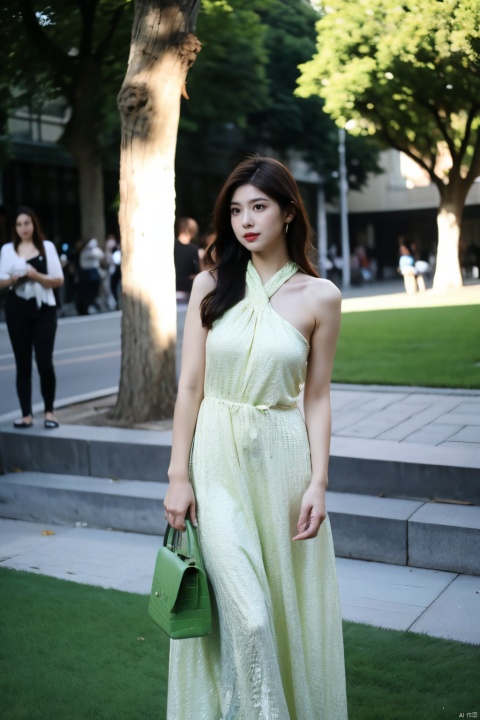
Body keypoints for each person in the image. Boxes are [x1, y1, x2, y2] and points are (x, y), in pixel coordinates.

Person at [164, 156, 348, 719]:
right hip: (216, 461)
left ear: (289, 212)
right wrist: (177, 474)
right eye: (236, 209)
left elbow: (316, 396)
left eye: (259, 207)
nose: (246, 220)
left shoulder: (321, 297)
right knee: (249, 615)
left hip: (285, 463)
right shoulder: (209, 285)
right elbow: (191, 385)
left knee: (284, 610)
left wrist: (318, 482)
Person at [0, 207, 64, 429]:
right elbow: (1, 281)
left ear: (34, 224)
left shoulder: (46, 247)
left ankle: (49, 412)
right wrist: (12, 279)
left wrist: (36, 275)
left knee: (45, 361)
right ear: (14, 228)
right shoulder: (7, 250)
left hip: (43, 308)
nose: (24, 228)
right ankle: (26, 414)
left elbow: (58, 280)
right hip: (17, 309)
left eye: (27, 223)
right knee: (22, 363)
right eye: (19, 224)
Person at [174, 216, 200, 301]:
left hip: (172, 287)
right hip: (186, 291)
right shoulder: (194, 249)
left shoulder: (172, 245)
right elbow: (196, 271)